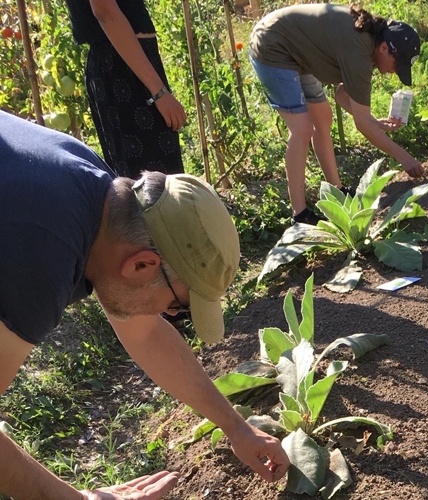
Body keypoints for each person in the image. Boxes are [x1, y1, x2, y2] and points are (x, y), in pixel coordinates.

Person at [0, 111, 288, 498]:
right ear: (141, 264)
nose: (168, 314)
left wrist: (236, 426)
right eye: (176, 304)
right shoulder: (41, 253)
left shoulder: (98, 195)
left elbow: (146, 332)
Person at [249, 3, 425, 225]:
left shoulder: (370, 42)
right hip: (272, 46)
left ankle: (337, 190)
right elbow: (362, 123)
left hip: (298, 52)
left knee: (323, 117)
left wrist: (374, 123)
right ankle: (299, 214)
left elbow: (342, 96)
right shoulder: (359, 50)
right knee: (302, 129)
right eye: (396, 65)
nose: (393, 71)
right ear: (384, 49)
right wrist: (405, 158)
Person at [64, 0, 187, 178]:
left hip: (126, 63)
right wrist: (159, 92)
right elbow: (105, 12)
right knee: (152, 188)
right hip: (121, 70)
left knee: (156, 186)